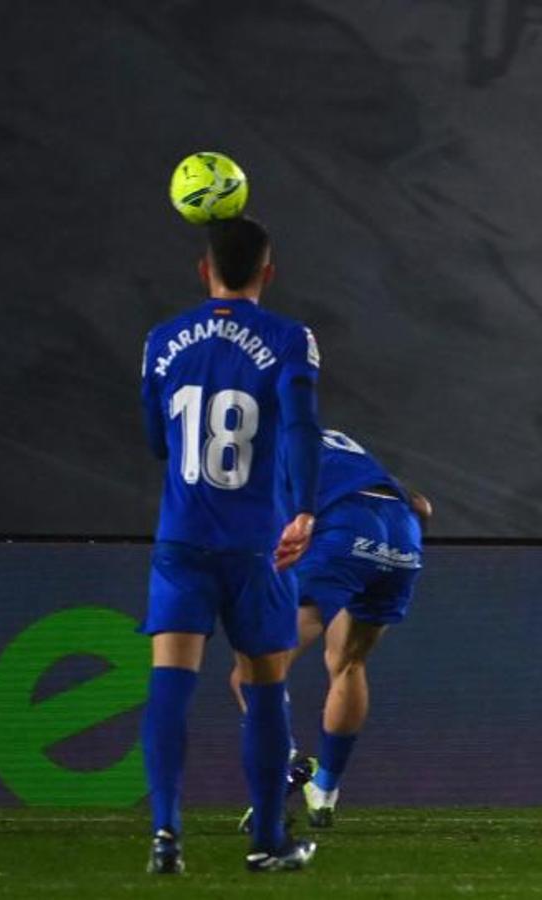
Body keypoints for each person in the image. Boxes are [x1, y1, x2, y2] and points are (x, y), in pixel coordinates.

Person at [138, 216, 323, 873]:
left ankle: (166, 836)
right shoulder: (289, 339)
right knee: (266, 684)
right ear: (267, 273)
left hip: (182, 537)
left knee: (170, 682)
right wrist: (303, 510)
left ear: (203, 269)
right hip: (256, 544)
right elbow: (302, 426)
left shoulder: (162, 341)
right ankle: (267, 839)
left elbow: (158, 441)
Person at [231, 428, 429, 828]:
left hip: (345, 527)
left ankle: (285, 765)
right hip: (403, 532)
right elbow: (424, 506)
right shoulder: (336, 440)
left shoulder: (257, 443)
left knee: (253, 668)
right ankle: (324, 791)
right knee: (348, 663)